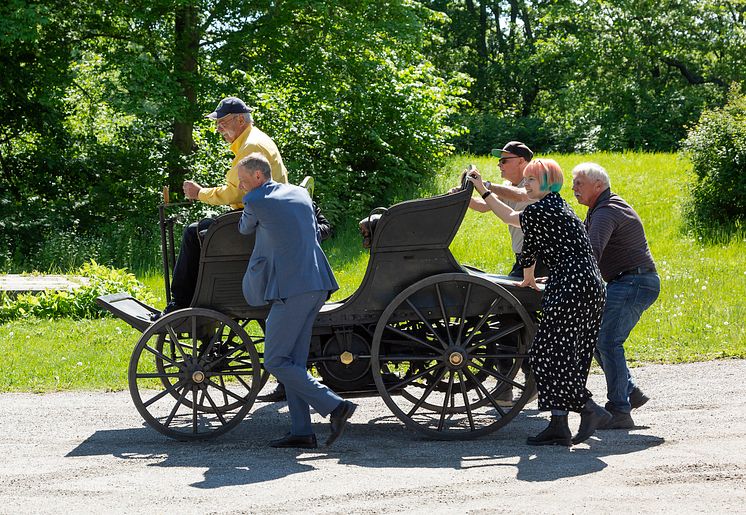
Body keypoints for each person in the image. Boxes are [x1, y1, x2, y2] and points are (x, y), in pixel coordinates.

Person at [466, 159, 611, 446]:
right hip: (585, 284)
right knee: (564, 355)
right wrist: (529, 278)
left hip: (573, 285)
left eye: (531, 181)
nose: (526, 185)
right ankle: (558, 424)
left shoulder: (544, 208)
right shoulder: (553, 208)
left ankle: (589, 409)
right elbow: (529, 251)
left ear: (546, 184)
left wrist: (482, 189)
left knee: (544, 353)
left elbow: (509, 216)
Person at [237, 152, 356, 449]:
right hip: (317, 284)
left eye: (242, 180)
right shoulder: (300, 193)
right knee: (294, 362)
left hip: (291, 290)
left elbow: (243, 228)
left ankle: (335, 406)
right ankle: (302, 430)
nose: (240, 186)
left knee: (275, 360)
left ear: (258, 177)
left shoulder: (255, 200)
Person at [161, 96, 289, 315]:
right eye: (217, 122)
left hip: (258, 222)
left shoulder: (251, 146)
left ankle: (181, 303)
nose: (218, 128)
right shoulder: (252, 141)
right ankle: (192, 300)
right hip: (265, 217)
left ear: (241, 120)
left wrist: (200, 193)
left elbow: (235, 192)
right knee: (202, 230)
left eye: (223, 122)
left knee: (193, 234)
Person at [453, 141, 547, 406]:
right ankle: (524, 383)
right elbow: (485, 206)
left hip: (538, 262)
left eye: (504, 161)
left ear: (521, 161)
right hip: (526, 260)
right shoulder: (513, 189)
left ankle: (512, 386)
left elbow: (518, 198)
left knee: (509, 320)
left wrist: (485, 185)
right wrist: (462, 197)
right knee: (514, 321)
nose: (499, 165)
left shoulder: (534, 185)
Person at [572, 162, 660, 429]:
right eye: (573, 183)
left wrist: (565, 278)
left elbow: (592, 252)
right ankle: (629, 391)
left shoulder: (605, 212)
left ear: (598, 186)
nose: (573, 188)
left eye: (579, 183)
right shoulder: (602, 208)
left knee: (607, 340)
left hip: (633, 281)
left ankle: (620, 410)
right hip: (632, 280)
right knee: (601, 339)